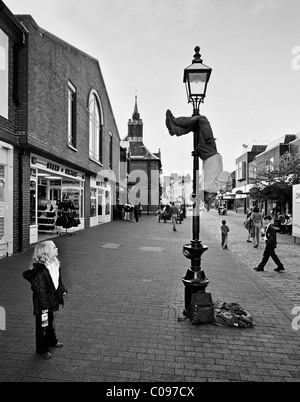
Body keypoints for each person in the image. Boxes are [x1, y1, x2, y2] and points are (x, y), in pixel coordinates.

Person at [23, 240, 68, 359]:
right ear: (46, 252)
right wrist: (45, 307)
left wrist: (62, 289)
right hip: (43, 304)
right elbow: (40, 291)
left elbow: (58, 280)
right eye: (54, 247)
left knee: (50, 321)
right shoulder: (40, 271)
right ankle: (42, 349)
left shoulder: (55, 264)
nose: (57, 248)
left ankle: (52, 340)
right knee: (43, 324)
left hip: (50, 300)